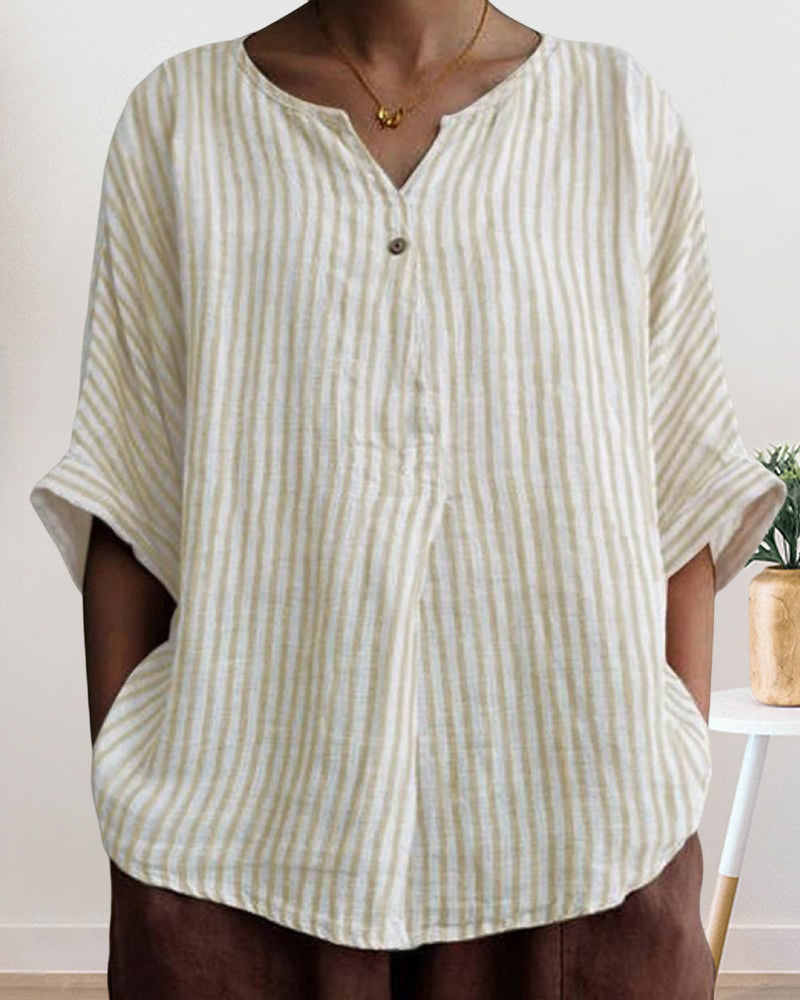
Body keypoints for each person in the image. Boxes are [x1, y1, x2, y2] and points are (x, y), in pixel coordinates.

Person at [30, 1, 787, 997]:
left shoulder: (617, 116)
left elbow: (680, 485)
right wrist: (128, 799)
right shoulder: (180, 121)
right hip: (237, 842)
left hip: (579, 834)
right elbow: (126, 491)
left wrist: (668, 761)